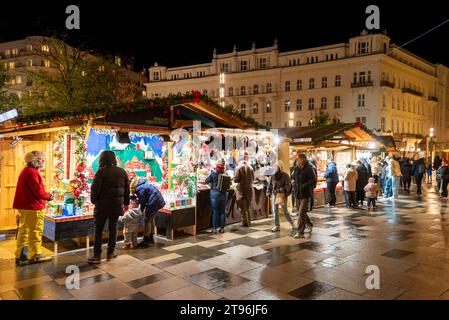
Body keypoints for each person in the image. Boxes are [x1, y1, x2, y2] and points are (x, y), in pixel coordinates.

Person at [89, 151, 130, 264]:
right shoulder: (122, 172)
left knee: (98, 230)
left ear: (101, 160)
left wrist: (93, 201)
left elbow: (95, 190)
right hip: (116, 205)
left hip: (101, 206)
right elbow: (127, 191)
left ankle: (97, 255)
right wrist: (126, 203)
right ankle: (110, 253)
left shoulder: (100, 173)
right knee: (113, 228)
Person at [14, 151, 54, 266]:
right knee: (35, 230)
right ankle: (36, 255)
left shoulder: (26, 171)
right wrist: (49, 196)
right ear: (35, 160)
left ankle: (22, 255)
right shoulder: (32, 173)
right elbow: (38, 192)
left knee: (24, 231)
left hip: (25, 207)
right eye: (41, 159)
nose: (43, 161)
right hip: (33, 207)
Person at [134, 177, 166, 247]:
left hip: (154, 203)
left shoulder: (139, 189)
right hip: (158, 201)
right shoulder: (144, 184)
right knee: (152, 219)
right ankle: (151, 237)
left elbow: (142, 202)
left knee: (147, 220)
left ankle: (146, 240)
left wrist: (140, 212)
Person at [291, 154, 316, 238]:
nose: (297, 160)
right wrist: (293, 182)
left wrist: (304, 185)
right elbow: (293, 177)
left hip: (305, 194)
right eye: (297, 159)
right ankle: (309, 224)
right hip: (297, 194)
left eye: (299, 159)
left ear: (303, 159)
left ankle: (300, 232)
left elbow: (313, 180)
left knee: (301, 212)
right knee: (301, 212)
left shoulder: (309, 168)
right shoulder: (296, 168)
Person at [267, 160, 295, 233]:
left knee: (285, 211)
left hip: (282, 195)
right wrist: (269, 193)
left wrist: (281, 190)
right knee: (275, 211)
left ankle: (292, 224)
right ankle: (277, 225)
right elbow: (270, 185)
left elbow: (288, 186)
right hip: (274, 195)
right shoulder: (273, 176)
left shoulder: (285, 175)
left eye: (277, 167)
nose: (276, 168)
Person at [118, 177, 144, 249]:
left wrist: (118, 217)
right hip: (135, 227)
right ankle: (135, 244)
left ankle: (127, 245)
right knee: (135, 235)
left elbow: (123, 218)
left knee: (127, 235)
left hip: (128, 228)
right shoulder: (138, 211)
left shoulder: (128, 213)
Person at [205, 158, 228, 233]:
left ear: (217, 165)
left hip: (215, 195)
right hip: (223, 195)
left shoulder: (213, 173)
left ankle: (214, 229)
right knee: (222, 212)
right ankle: (222, 228)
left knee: (215, 211)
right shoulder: (226, 174)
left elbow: (206, 181)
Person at [233, 153, 254, 227]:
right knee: (247, 206)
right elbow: (253, 179)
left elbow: (235, 180)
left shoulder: (238, 167)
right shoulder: (251, 167)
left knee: (242, 206)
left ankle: (245, 222)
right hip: (250, 189)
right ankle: (249, 221)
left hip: (241, 189)